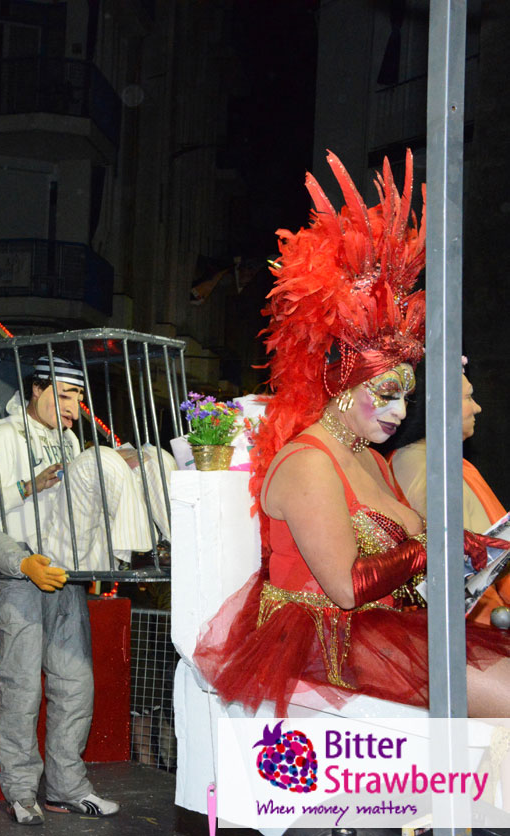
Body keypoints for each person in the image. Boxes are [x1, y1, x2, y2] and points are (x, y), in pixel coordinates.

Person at [193, 149, 510, 717]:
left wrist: (470, 551)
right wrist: (432, 549)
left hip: (387, 628)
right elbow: (345, 587)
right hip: (330, 639)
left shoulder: (372, 456)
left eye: (404, 397)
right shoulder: (309, 461)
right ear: (342, 385)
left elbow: (408, 552)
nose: (396, 412)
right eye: (385, 393)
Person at [0, 360, 122, 823]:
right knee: (21, 686)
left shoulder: (66, 437)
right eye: (65, 395)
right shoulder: (3, 437)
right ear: (37, 389)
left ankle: (67, 786)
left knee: (74, 683)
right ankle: (22, 789)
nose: (74, 408)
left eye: (78, 398)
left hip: (63, 573)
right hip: (19, 579)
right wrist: (20, 557)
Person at [384, 359, 510, 624]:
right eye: (468, 397)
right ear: (438, 405)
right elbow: (461, 570)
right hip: (474, 629)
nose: (477, 407)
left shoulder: (430, 460)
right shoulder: (429, 467)